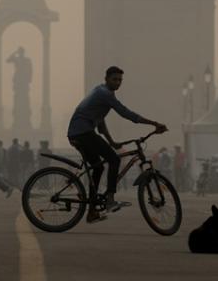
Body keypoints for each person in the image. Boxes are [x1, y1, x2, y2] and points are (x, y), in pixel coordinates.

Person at [67, 66, 167, 222]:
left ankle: (92, 211)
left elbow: (100, 122)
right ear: (106, 79)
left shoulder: (101, 92)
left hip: (78, 132)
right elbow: (126, 113)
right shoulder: (105, 94)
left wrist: (112, 141)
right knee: (114, 159)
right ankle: (110, 200)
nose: (118, 83)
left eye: (120, 80)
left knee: (98, 167)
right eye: (115, 79)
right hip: (83, 132)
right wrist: (154, 123)